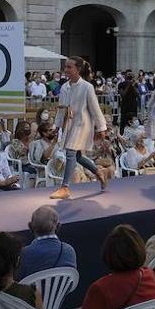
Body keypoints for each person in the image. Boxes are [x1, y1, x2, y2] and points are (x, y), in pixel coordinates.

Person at [48, 56, 110, 201]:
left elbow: (95, 108)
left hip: (83, 124)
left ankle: (65, 187)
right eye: (66, 67)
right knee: (77, 156)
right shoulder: (64, 87)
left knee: (70, 152)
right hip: (69, 124)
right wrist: (56, 126)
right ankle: (98, 171)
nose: (66, 70)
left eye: (70, 67)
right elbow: (61, 109)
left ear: (78, 69)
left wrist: (102, 127)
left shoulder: (87, 87)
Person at [18, 205, 77, 279]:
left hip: (30, 290)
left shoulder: (24, 254)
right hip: (61, 290)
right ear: (58, 226)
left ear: (30, 226)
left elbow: (18, 280)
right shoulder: (69, 251)